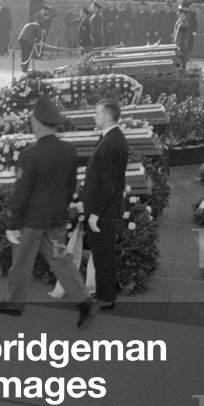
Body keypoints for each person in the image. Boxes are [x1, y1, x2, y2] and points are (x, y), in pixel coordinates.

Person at [0, 95, 96, 329]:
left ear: (36, 123)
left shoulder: (30, 154)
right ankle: (84, 301)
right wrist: (63, 208)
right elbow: (71, 186)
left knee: (21, 263)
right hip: (56, 219)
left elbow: (22, 193)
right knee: (61, 260)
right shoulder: (68, 151)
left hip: (31, 222)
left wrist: (12, 223)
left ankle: (14, 303)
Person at [81, 99, 129, 312]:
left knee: (103, 254)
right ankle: (105, 294)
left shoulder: (111, 142)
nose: (94, 116)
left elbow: (108, 184)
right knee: (102, 253)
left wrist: (95, 214)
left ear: (108, 116)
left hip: (103, 211)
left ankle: (106, 297)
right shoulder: (112, 138)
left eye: (97, 113)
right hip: (106, 209)